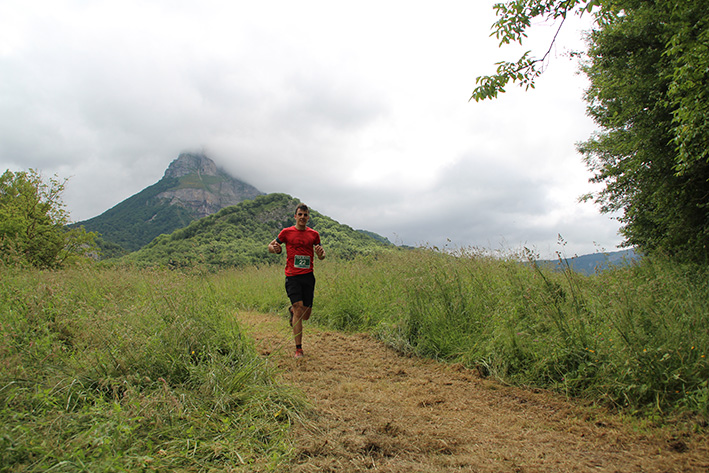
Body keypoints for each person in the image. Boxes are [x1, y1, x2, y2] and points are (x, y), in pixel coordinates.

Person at [268, 203, 326, 358]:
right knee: (298, 307)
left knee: (305, 315)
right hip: (292, 276)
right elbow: (270, 246)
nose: (302, 217)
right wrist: (275, 249)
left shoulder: (314, 235)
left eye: (305, 215)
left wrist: (321, 254)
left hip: (308, 276)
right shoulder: (286, 232)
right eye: (300, 214)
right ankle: (298, 349)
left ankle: (293, 312)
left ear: (308, 217)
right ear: (295, 216)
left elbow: (321, 255)